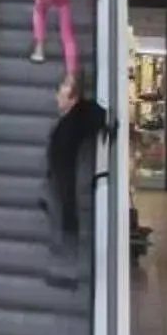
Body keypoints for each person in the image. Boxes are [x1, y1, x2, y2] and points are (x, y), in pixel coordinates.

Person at [44, 72, 111, 280]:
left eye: (60, 91)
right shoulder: (76, 121)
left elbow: (64, 169)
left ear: (72, 97)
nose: (56, 96)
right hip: (67, 187)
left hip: (70, 191)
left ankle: (69, 269)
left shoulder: (68, 128)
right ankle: (67, 266)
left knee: (68, 226)